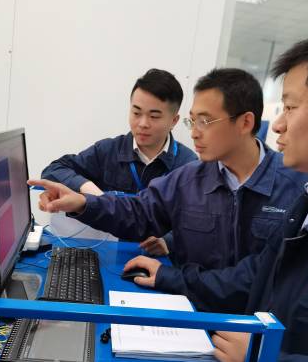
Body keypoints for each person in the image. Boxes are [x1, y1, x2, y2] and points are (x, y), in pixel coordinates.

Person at [32, 31, 308, 362]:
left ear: (244, 123)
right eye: (192, 121)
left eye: (205, 121)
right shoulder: (197, 179)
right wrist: (84, 203)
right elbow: (139, 211)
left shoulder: (292, 190)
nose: (195, 133)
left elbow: (251, 279)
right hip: (220, 343)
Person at [42, 68, 197, 256]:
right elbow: (54, 170)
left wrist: (168, 241)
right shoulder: (109, 150)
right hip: (107, 254)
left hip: (158, 260)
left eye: (154, 116)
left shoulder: (188, 165)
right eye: (136, 113)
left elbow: (195, 222)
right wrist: (87, 187)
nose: (142, 123)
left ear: (174, 120)